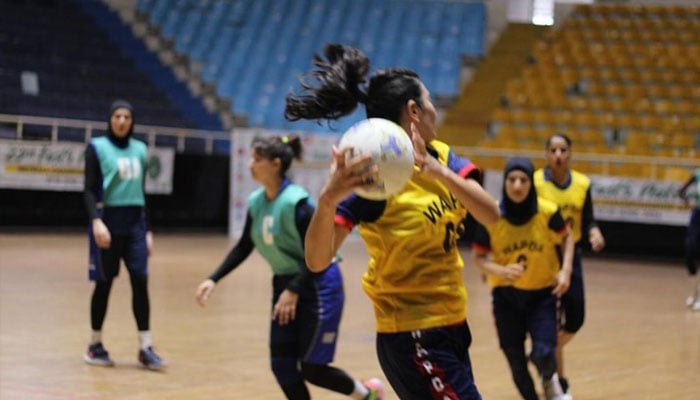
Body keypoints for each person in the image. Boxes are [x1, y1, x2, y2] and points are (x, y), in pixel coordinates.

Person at [284, 43, 500, 400]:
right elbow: (318, 260)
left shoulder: (443, 157)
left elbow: (491, 215)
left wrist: (439, 173)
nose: (435, 110)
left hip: (453, 325)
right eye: (429, 101)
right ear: (414, 109)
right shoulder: (374, 179)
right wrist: (327, 200)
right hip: (413, 335)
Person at [195, 134, 384, 400]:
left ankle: (368, 395)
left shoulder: (298, 204)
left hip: (317, 283)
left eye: (257, 159)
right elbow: (244, 245)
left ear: (275, 164)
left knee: (313, 368)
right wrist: (213, 279)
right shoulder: (256, 202)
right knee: (282, 366)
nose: (250, 163)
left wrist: (295, 290)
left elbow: (323, 255)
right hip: (284, 285)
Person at [471, 157, 574, 400]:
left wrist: (566, 270)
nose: (517, 186)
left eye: (523, 180)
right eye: (512, 180)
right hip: (506, 298)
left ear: (531, 183)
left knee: (544, 352)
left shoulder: (547, 212)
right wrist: (500, 271)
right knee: (515, 361)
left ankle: (551, 384)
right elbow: (478, 257)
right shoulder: (492, 215)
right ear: (505, 182)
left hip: (542, 295)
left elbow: (567, 238)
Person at [83, 99, 165, 370]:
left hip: (135, 225)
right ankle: (95, 345)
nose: (121, 121)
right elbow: (88, 189)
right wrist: (96, 222)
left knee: (141, 281)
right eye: (117, 116)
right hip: (108, 223)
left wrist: (149, 229)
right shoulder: (97, 147)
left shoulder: (141, 149)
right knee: (104, 284)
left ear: (132, 121)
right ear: (110, 119)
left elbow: (143, 192)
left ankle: (145, 347)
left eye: (126, 117)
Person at [533, 133, 605, 398]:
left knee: (576, 318)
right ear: (546, 154)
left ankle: (546, 353)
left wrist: (594, 232)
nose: (558, 155)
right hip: (544, 257)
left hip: (571, 256)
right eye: (553, 150)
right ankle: (557, 381)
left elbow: (588, 220)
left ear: (570, 154)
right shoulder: (536, 182)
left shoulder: (583, 185)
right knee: (550, 318)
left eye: (563, 150)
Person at [677, 168, 700, 311]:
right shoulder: (697, 175)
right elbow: (681, 191)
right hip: (697, 217)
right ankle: (694, 291)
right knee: (690, 250)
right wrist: (688, 201)